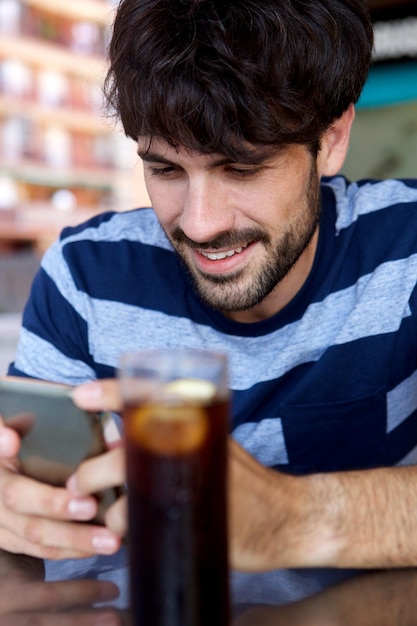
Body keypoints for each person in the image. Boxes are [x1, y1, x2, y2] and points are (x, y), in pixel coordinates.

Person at [1, 0, 417, 603]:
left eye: (242, 168)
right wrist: (17, 510)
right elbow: (35, 526)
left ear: (331, 139)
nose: (199, 225)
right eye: (165, 170)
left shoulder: (405, 253)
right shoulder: (83, 278)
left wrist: (289, 516)